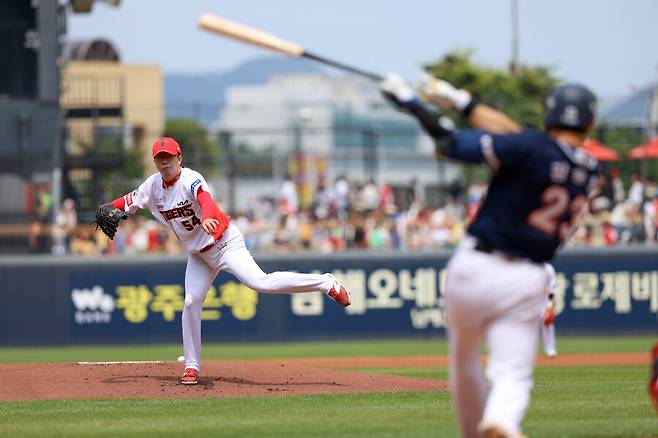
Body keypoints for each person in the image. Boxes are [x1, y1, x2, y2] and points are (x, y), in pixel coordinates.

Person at [381, 74, 600, 437]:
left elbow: (450, 143)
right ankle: (502, 420)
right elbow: (521, 138)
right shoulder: (590, 169)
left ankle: (477, 429)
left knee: (464, 361)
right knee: (512, 372)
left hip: (474, 268)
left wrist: (411, 103)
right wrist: (460, 101)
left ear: (547, 118)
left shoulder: (529, 148)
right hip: (528, 276)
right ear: (589, 123)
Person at [92, 137, 351, 385]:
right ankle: (191, 366)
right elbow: (126, 202)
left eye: (169, 157)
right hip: (199, 255)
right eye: (159, 158)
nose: (164, 163)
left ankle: (325, 283)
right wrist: (107, 206)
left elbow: (204, 197)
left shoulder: (191, 178)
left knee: (260, 282)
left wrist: (206, 216)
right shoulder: (152, 186)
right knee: (191, 302)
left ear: (179, 157)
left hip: (225, 243)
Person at [541, 263, 558, 358]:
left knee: (548, 322)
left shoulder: (548, 268)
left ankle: (550, 349)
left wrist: (550, 303)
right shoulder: (527, 265)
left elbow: (552, 288)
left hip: (544, 301)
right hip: (529, 301)